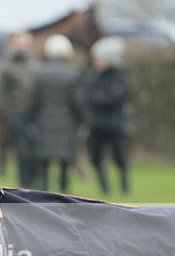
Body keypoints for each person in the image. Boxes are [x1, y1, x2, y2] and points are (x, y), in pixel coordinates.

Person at [28, 34, 83, 193]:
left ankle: (43, 192)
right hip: (67, 123)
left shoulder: (40, 73)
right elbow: (77, 102)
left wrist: (31, 120)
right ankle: (64, 192)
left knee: (44, 163)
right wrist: (81, 121)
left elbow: (34, 101)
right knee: (64, 162)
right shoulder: (73, 73)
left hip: (43, 121)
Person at [0, 30, 38, 188]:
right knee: (22, 151)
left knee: (34, 151)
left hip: (34, 115)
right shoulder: (3, 65)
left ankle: (33, 181)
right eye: (20, 44)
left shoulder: (34, 64)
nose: (24, 48)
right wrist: (7, 113)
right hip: (15, 114)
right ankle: (24, 184)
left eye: (26, 44)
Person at [85, 36, 130, 195]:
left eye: (100, 59)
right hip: (97, 124)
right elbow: (88, 97)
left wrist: (99, 98)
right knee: (96, 158)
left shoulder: (119, 76)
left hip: (114, 124)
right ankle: (104, 188)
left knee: (120, 157)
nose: (97, 62)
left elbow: (115, 98)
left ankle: (124, 185)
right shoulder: (94, 77)